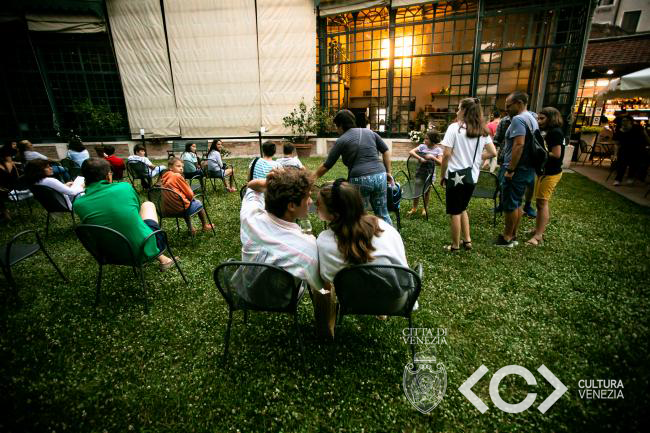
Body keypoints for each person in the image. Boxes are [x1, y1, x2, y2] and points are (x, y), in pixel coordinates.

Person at [74, 158, 176, 271]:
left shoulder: (78, 204)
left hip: (109, 255)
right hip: (142, 250)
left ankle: (162, 258)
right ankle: (163, 258)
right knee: (147, 205)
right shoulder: (125, 187)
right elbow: (136, 210)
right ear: (108, 175)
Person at [241, 167, 324, 290]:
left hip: (249, 290)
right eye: (307, 197)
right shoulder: (307, 246)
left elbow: (251, 187)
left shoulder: (250, 217)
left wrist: (268, 184)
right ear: (291, 206)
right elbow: (320, 286)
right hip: (282, 300)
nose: (310, 202)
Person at [316, 178, 408, 284]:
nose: (315, 206)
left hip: (355, 300)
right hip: (403, 298)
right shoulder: (384, 227)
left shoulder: (324, 241)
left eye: (318, 203)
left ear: (335, 214)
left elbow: (326, 280)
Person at [315, 109, 394, 225]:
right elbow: (386, 151)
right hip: (380, 176)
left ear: (340, 125)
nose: (337, 130)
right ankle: (390, 239)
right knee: (382, 212)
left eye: (336, 127)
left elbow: (327, 165)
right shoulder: (370, 132)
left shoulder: (342, 140)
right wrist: (388, 172)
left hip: (359, 179)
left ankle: (361, 239)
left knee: (358, 215)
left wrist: (312, 177)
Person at [440, 97, 497, 251]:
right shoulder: (482, 131)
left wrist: (442, 175)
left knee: (455, 212)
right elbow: (493, 152)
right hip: (472, 176)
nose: (457, 112)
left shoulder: (454, 128)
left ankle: (455, 245)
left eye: (459, 108)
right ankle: (468, 241)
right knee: (463, 207)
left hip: (454, 176)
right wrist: (479, 158)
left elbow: (446, 155)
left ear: (464, 110)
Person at [496, 91, 538, 247]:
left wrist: (511, 169)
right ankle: (513, 233)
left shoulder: (518, 120)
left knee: (510, 203)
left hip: (517, 168)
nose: (506, 108)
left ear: (519, 103)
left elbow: (518, 144)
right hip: (527, 168)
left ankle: (507, 237)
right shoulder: (532, 118)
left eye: (509, 105)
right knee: (517, 202)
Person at [526, 107, 565, 246]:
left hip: (551, 172)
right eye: (538, 118)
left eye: (542, 118)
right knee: (539, 202)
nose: (539, 121)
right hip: (543, 171)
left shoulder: (555, 133)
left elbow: (557, 154)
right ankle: (537, 229)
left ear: (551, 118)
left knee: (542, 203)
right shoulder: (548, 132)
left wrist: (539, 152)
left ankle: (538, 236)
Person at [161, 157, 214, 233]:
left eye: (182, 166)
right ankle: (205, 225)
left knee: (183, 201)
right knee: (197, 202)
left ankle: (191, 228)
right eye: (178, 166)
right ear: (170, 167)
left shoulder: (163, 177)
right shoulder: (177, 176)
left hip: (166, 210)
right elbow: (190, 194)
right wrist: (191, 197)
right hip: (180, 209)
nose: (181, 168)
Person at [407, 130, 443, 217]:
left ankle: (425, 208)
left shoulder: (438, 150)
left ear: (433, 139)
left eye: (427, 138)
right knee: (417, 191)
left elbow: (440, 163)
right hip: (420, 172)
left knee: (427, 192)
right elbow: (411, 152)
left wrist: (432, 157)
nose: (425, 140)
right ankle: (414, 208)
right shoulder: (422, 147)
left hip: (430, 174)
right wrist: (420, 158)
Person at [613, 115, 650, 186]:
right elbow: (617, 143)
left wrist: (648, 142)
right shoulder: (619, 130)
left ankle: (630, 177)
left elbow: (645, 136)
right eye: (623, 121)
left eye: (626, 120)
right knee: (621, 164)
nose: (624, 122)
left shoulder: (637, 128)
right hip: (624, 149)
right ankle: (618, 179)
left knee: (633, 164)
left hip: (636, 149)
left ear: (630, 121)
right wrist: (615, 154)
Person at [0, 143, 20, 221]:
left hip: (9, 189)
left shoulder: (6, 164)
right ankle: (5, 212)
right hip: (12, 187)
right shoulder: (9, 163)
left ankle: (5, 213)